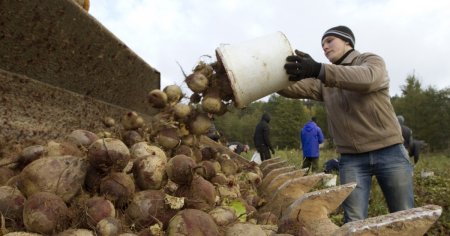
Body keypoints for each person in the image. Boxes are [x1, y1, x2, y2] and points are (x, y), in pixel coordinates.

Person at [279, 25, 414, 223]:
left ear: (347, 42)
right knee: (353, 219)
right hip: (352, 159)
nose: (324, 47)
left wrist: (318, 69)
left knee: (404, 216)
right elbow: (292, 88)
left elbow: (367, 79)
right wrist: (274, 72)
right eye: (322, 44)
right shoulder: (323, 80)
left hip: (389, 151)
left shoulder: (370, 61)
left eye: (329, 41)